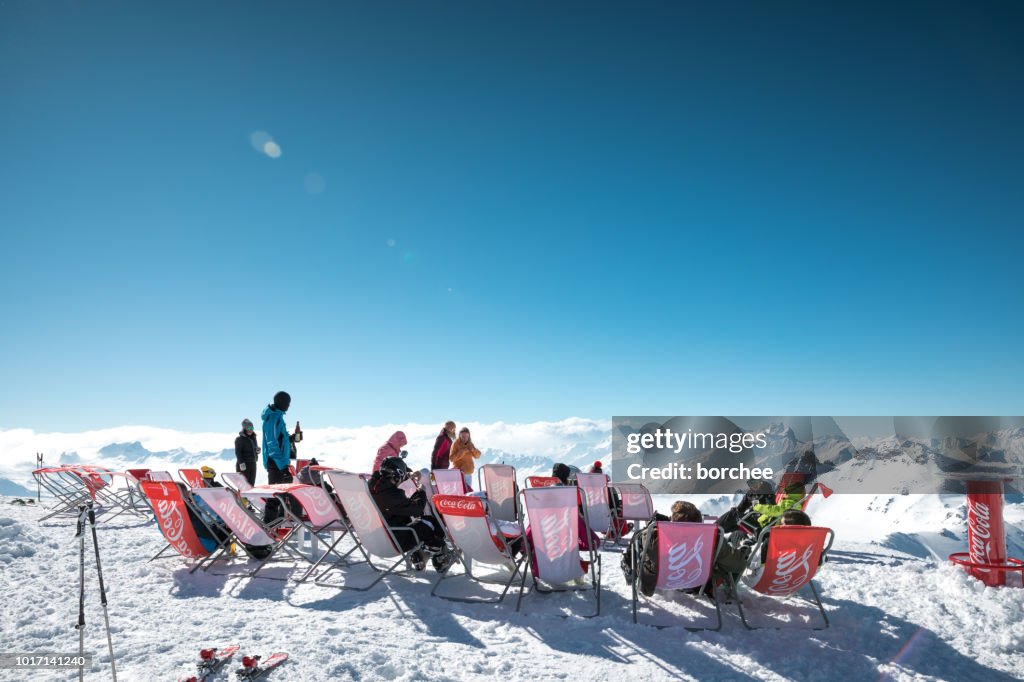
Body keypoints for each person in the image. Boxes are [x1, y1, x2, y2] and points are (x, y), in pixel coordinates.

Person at [370, 456, 452, 572]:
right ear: (398, 474)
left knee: (406, 517)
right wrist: (421, 491)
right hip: (394, 542)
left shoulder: (371, 487)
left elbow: (403, 505)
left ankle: (419, 554)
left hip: (375, 539)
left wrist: (410, 473)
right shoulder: (392, 495)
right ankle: (440, 559)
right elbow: (417, 509)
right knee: (430, 522)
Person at [261, 391, 299, 524]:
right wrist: (283, 467)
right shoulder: (274, 418)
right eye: (287, 403)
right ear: (282, 402)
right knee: (276, 495)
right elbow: (272, 444)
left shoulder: (277, 416)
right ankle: (269, 527)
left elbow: (279, 439)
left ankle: (274, 525)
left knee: (280, 494)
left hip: (279, 461)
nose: (289, 406)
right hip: (277, 462)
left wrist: (291, 438)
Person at [234, 419, 261, 485]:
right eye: (249, 428)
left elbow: (254, 449)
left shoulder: (253, 438)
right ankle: (242, 496)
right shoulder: (239, 439)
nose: (251, 430)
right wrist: (241, 463)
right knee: (243, 485)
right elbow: (238, 452)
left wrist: (257, 450)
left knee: (251, 485)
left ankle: (250, 496)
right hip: (244, 465)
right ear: (245, 429)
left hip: (253, 464)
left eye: (252, 428)